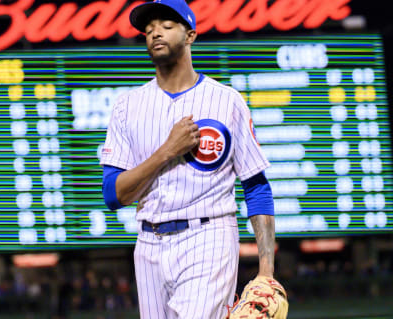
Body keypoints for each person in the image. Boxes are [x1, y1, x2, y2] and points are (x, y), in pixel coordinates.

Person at [100, 0, 276, 318]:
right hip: (148, 243)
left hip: (209, 234)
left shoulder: (227, 101)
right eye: (149, 28)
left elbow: (256, 185)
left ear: (190, 35)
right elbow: (114, 195)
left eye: (167, 26)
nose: (155, 33)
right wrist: (167, 151)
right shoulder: (127, 106)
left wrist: (266, 270)